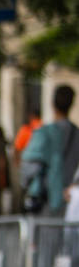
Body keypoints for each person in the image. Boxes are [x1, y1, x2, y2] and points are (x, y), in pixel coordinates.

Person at [21, 84, 79, 216]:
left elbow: (28, 169)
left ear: (52, 104)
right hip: (69, 203)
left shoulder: (44, 133)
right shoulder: (76, 135)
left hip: (45, 202)